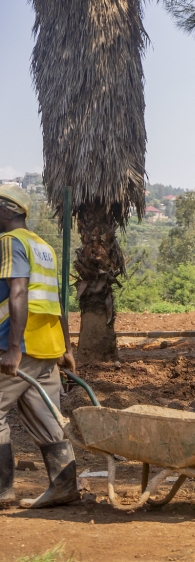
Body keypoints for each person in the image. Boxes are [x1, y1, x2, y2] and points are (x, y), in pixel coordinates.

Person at [0, 184, 78, 509]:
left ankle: (2, 491)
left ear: (7, 209)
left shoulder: (9, 242)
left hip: (22, 346)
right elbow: (56, 300)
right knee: (48, 417)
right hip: (48, 347)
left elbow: (18, 293)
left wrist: (13, 348)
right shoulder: (42, 246)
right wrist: (67, 347)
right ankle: (64, 485)